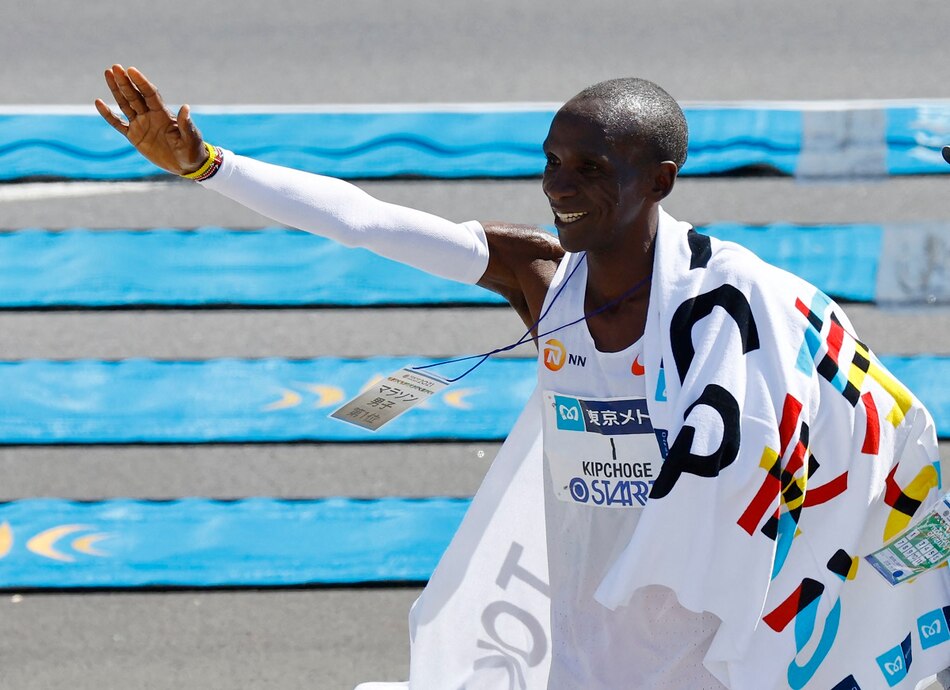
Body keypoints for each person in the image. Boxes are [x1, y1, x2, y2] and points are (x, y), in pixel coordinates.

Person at [97, 66, 948, 690]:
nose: (558, 186)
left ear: (659, 182)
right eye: (552, 161)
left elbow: (823, 420)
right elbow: (367, 223)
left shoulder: (732, 308)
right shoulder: (540, 279)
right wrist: (211, 165)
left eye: (589, 168)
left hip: (712, 636)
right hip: (584, 629)